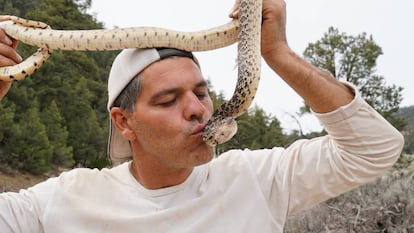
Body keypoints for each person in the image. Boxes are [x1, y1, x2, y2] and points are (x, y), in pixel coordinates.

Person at [0, 0, 404, 232]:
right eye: (167, 100)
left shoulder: (255, 179)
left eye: (201, 91)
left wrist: (277, 54)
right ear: (124, 122)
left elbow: (374, 150)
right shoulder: (65, 199)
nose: (197, 109)